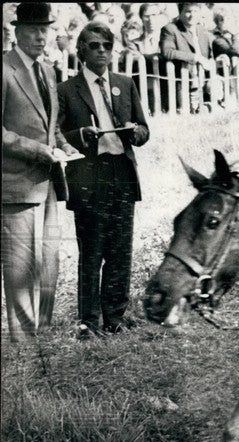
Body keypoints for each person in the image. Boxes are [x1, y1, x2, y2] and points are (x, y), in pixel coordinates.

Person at [58, 20, 150, 339]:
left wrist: (137, 133)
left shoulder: (125, 84)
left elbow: (143, 128)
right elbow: (57, 137)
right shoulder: (66, 90)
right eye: (94, 45)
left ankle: (115, 317)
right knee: (92, 250)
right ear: (80, 51)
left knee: (120, 250)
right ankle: (89, 321)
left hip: (121, 175)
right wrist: (80, 135)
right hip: (89, 178)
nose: (101, 51)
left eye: (106, 45)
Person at [2, 2, 78, 342]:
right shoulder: (4, 69)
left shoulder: (48, 70)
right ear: (16, 31)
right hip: (16, 186)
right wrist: (38, 151)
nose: (41, 36)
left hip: (49, 183)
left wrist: (65, 145)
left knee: (49, 262)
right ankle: (24, 351)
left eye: (46, 29)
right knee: (21, 269)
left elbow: (52, 126)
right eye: (33, 29)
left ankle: (44, 340)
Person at [159, 2, 215, 111]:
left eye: (195, 11)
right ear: (180, 13)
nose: (192, 15)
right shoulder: (170, 29)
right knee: (185, 112)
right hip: (183, 81)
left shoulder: (202, 30)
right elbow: (167, 52)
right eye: (188, 11)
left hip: (204, 79)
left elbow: (209, 54)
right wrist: (195, 57)